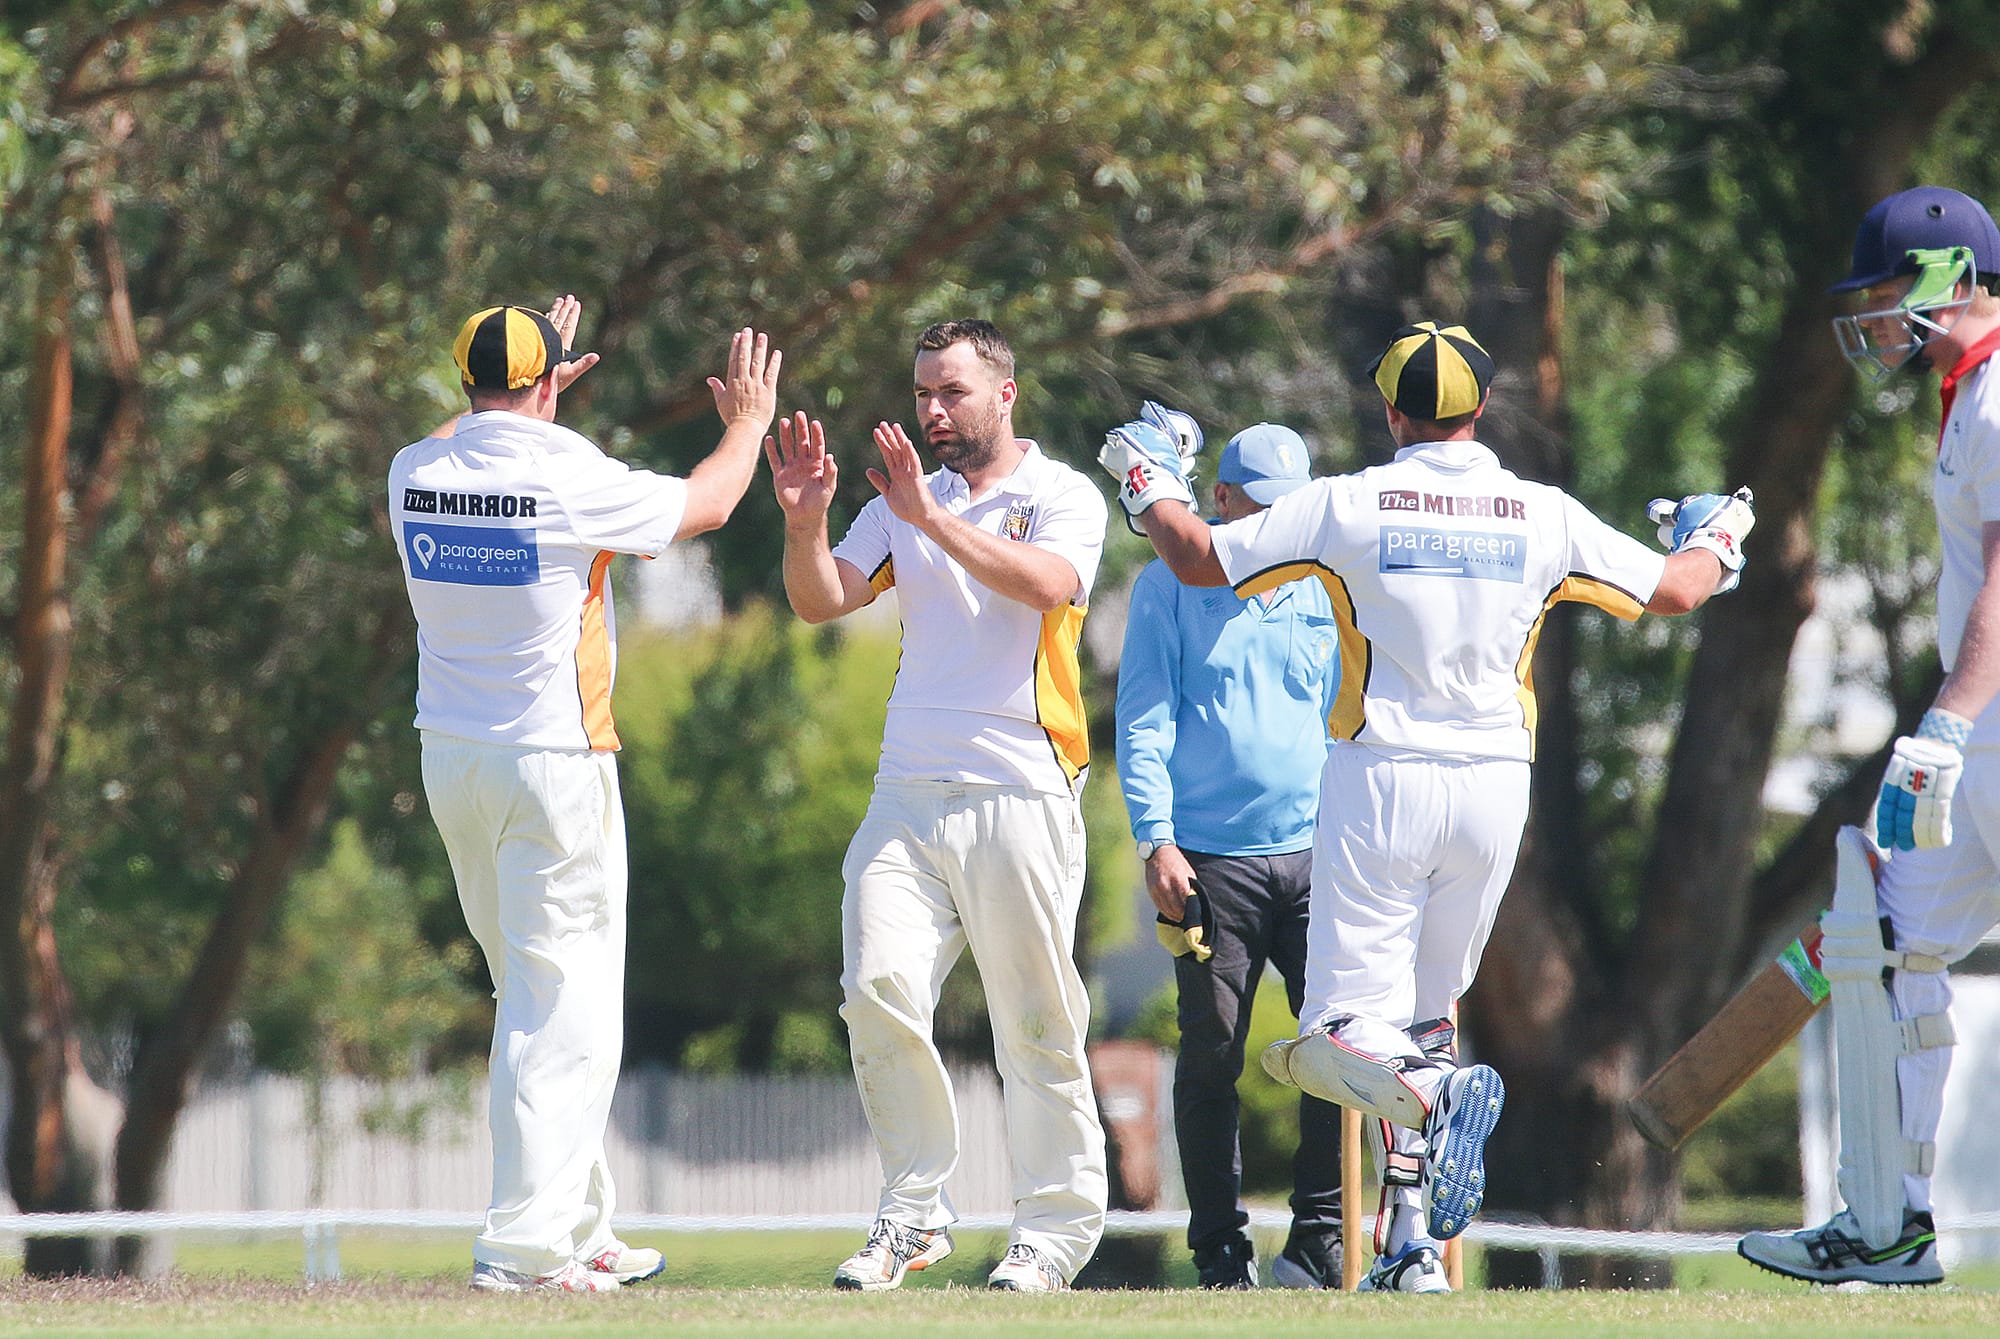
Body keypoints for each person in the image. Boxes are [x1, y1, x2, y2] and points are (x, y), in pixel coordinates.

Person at [1100, 320, 1751, 1292]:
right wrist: (1716, 530)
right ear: (1479, 409)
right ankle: (1410, 1252)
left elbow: (1195, 557)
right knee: (1424, 1012)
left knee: (1333, 1039)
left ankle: (1439, 1103)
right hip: (1495, 789)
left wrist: (1147, 479)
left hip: (1382, 778)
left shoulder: (1349, 504)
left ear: (1390, 412)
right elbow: (1673, 590)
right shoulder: (1539, 514)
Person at [388, 298, 781, 1292]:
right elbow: (707, 504)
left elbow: (467, 434)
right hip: (552, 765)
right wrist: (745, 424)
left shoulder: (414, 471)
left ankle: (576, 1227)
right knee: (561, 1007)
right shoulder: (569, 475)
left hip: (452, 761)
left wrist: (544, 379)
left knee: (532, 992)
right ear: (551, 384)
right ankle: (522, 1251)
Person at [766, 318, 1109, 1293]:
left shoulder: (1059, 494)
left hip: (1021, 788)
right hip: (906, 790)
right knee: (875, 989)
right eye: (921, 392)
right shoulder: (905, 497)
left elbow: (1046, 585)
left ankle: (1050, 1234)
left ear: (1004, 393)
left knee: (1034, 1023)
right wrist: (802, 519)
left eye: (950, 392)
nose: (930, 410)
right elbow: (822, 597)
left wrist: (928, 519)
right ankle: (911, 1217)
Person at [1739, 185, 2000, 1287]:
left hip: (1980, 719)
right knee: (1881, 935)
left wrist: (1943, 722)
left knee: (1883, 927)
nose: (1876, 313)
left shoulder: (1995, 397)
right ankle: (1886, 1222)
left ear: (1946, 279)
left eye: (1890, 288)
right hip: (1980, 727)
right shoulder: (1964, 392)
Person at [1114, 419, 1346, 1290]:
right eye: (1258, 511)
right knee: (1211, 1053)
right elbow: (1143, 717)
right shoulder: (1165, 587)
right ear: (1219, 501)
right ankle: (1219, 1250)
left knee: (1339, 1047)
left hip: (1319, 853)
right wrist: (1156, 839)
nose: (1274, 530)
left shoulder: (1323, 584)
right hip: (1209, 862)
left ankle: (1321, 1237)